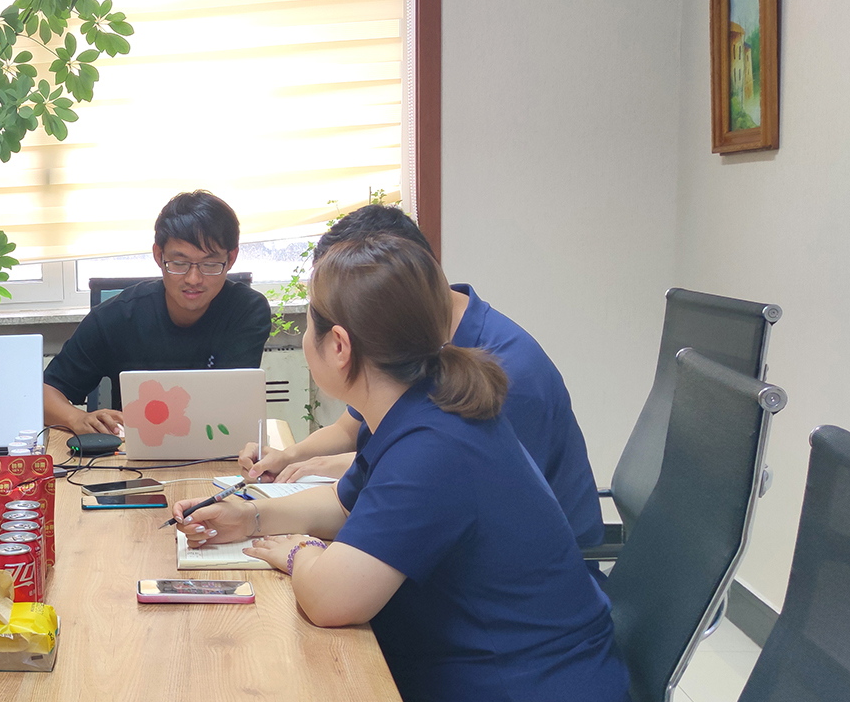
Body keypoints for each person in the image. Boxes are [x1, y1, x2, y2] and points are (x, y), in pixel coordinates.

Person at [176, 234, 633, 702]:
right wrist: (250, 516)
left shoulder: (434, 445)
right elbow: (346, 503)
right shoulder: (422, 402)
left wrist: (298, 553)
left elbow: (332, 600)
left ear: (338, 346)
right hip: (502, 691)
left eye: (309, 326)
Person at [242, 205, 602, 549]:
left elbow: (447, 481)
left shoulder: (506, 373)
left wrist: (303, 544)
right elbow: (350, 431)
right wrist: (290, 456)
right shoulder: (400, 345)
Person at [43, 191, 271, 436]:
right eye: (179, 263)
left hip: (217, 445)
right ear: (158, 255)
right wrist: (76, 418)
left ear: (232, 258)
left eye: (209, 264)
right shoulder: (117, 316)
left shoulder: (247, 311)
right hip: (133, 449)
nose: (193, 279)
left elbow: (233, 407)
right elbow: (44, 392)